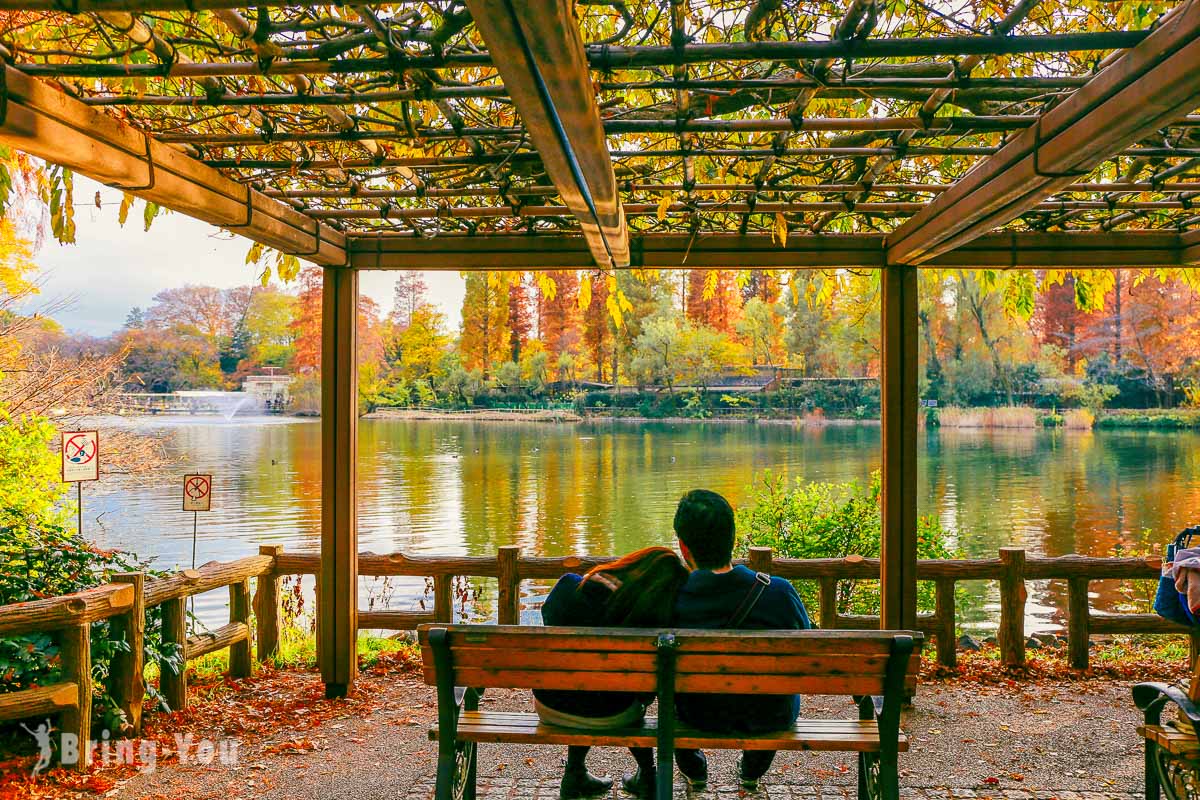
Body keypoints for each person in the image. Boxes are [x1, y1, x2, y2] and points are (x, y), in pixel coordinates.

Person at [670, 489, 811, 791]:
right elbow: (807, 650)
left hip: (697, 715)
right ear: (733, 538)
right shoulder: (779, 592)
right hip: (769, 715)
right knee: (776, 688)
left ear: (684, 546)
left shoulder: (671, 597)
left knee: (672, 691)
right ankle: (752, 769)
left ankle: (693, 768)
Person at [535, 546, 690, 800]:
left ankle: (574, 773)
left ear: (630, 562)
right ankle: (648, 775)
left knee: (583, 680)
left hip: (550, 705)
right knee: (609, 691)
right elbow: (647, 691)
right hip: (615, 714)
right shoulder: (648, 619)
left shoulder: (569, 587)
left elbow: (548, 615)